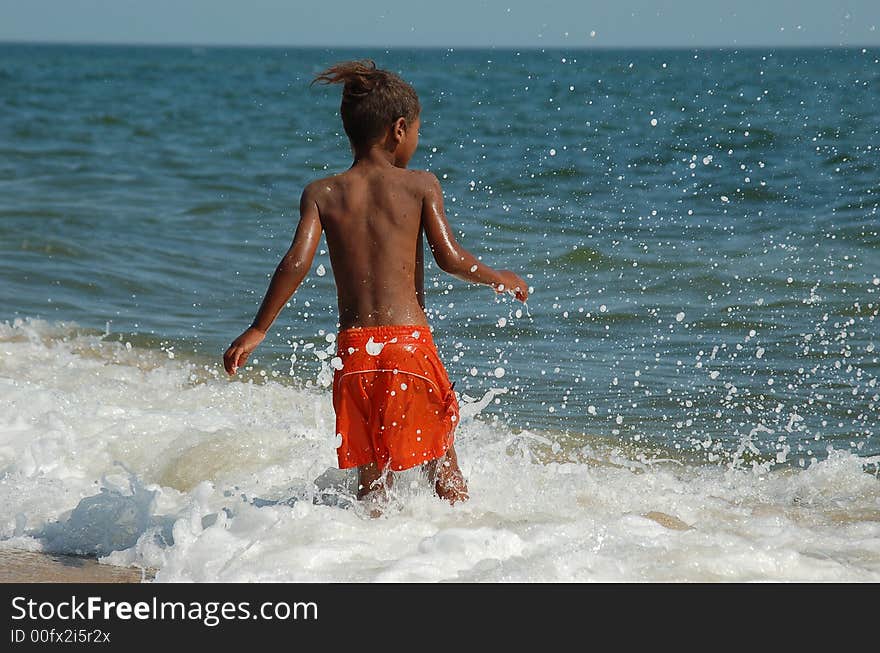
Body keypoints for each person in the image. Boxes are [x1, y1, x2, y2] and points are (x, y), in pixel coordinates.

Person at [223, 60, 528, 511]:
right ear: (399, 129)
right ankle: (464, 548)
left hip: (354, 353)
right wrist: (498, 278)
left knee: (372, 479)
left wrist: (258, 328)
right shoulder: (421, 185)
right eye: (418, 131)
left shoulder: (321, 192)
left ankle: (367, 562)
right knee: (443, 463)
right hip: (408, 346)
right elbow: (450, 258)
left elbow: (295, 263)